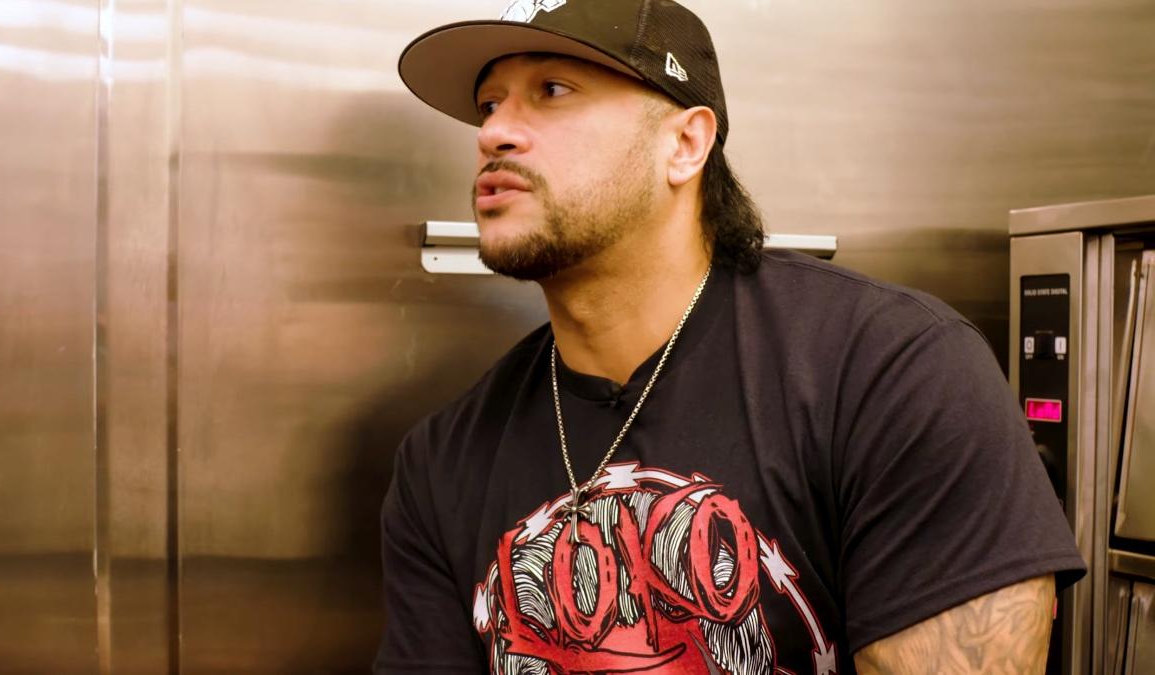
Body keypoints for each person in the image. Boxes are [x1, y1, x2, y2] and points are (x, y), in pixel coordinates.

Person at [379, 1, 1085, 673]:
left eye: (553, 89)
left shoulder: (890, 372)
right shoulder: (442, 462)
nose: (494, 133)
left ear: (685, 144)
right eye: (490, 103)